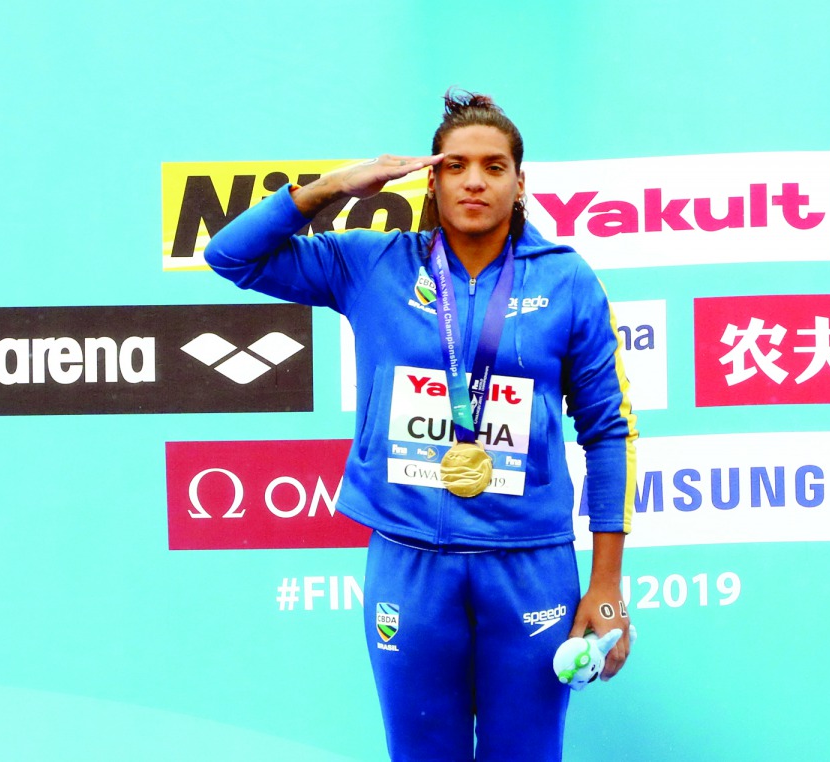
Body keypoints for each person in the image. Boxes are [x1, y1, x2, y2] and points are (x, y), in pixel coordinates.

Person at [205, 88, 638, 761]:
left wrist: (606, 584)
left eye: (494, 166)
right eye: (455, 165)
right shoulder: (371, 265)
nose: (474, 180)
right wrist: (336, 186)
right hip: (410, 561)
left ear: (521, 183)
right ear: (429, 179)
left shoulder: (566, 280)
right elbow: (231, 256)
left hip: (529, 562)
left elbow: (607, 431)